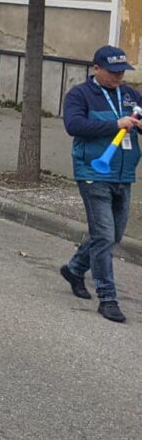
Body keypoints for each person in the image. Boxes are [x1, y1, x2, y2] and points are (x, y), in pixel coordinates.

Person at [59, 44, 141, 323]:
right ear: (96, 69)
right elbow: (74, 126)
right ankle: (107, 298)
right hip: (93, 172)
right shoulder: (80, 94)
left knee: (112, 235)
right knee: (104, 236)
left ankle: (74, 268)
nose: (119, 76)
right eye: (113, 71)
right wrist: (115, 124)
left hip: (123, 173)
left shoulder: (130, 95)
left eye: (122, 71)